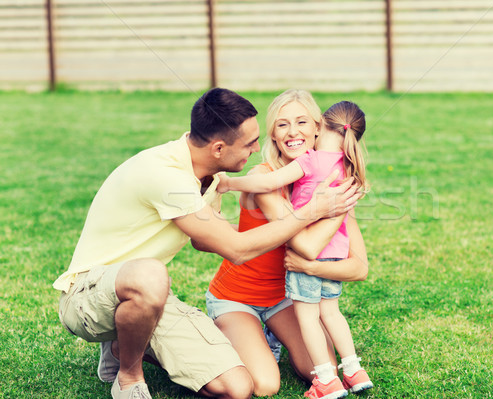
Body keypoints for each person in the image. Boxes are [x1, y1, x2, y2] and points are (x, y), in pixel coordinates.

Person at [52, 88, 359, 399]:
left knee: (245, 385)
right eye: (250, 142)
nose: (256, 148)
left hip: (158, 295)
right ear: (218, 148)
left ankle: (122, 346)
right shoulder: (170, 176)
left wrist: (230, 234)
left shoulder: (211, 178)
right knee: (151, 275)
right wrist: (314, 212)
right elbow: (240, 249)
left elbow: (207, 242)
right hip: (90, 294)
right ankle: (129, 375)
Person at [205, 90, 370, 397]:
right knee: (266, 385)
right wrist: (329, 209)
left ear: (319, 127)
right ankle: (209, 336)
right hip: (238, 297)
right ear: (274, 135)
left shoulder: (333, 181)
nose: (293, 132)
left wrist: (313, 263)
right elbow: (304, 246)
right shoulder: (264, 178)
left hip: (285, 298)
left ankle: (269, 335)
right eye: (282, 125)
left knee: (323, 368)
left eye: (301, 122)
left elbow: (359, 268)